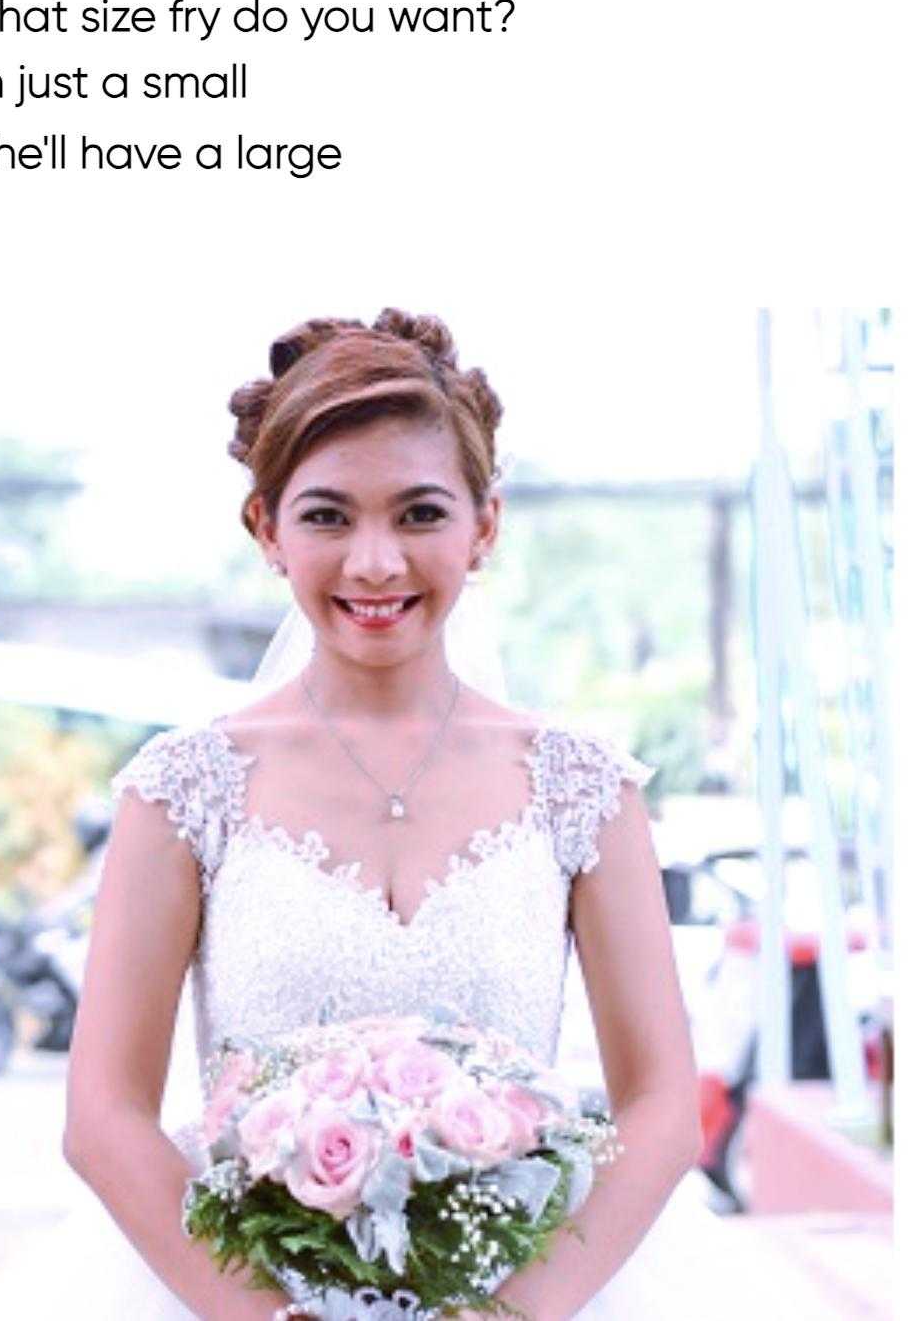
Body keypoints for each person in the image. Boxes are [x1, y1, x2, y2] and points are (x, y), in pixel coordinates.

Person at [54, 309, 703, 1319]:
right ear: (266, 529)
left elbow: (662, 1104)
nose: (374, 564)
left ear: (483, 525)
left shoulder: (583, 789)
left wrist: (511, 1311)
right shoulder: (184, 789)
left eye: (418, 514)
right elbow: (103, 1115)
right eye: (326, 516)